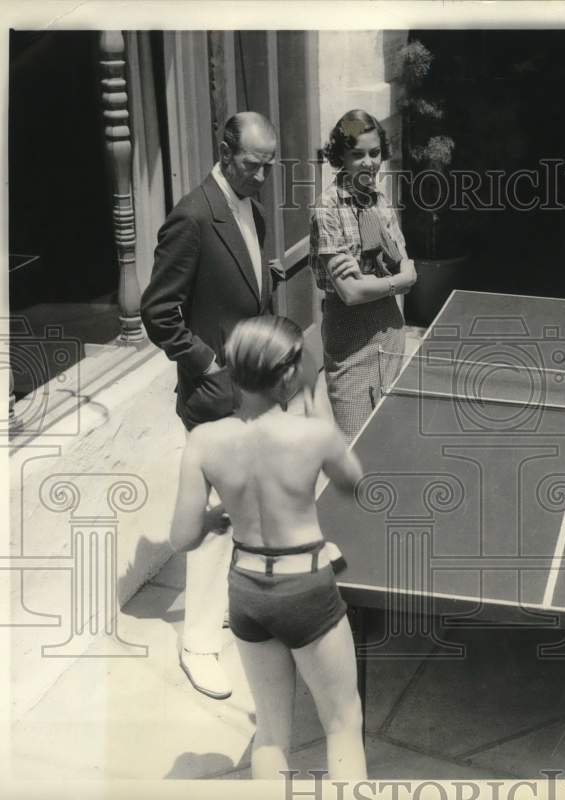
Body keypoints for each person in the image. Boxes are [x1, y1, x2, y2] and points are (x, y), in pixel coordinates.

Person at [169, 316, 366, 779]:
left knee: (272, 735)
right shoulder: (312, 435)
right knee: (343, 723)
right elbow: (353, 481)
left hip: (247, 592)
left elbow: (182, 538)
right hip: (306, 590)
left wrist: (213, 518)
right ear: (288, 373)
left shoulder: (204, 440)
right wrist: (314, 395)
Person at [141, 111, 280, 699]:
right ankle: (197, 644)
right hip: (215, 395)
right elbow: (157, 311)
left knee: (245, 508)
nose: (262, 178)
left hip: (251, 392)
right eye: (253, 165)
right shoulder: (192, 216)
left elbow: (239, 291)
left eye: (269, 166)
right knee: (216, 521)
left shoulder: (251, 208)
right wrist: (207, 362)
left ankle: (226, 610)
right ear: (225, 153)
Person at [309, 108, 418, 441]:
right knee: (355, 444)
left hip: (390, 328)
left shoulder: (380, 200)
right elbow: (351, 294)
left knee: (388, 439)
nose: (369, 163)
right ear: (340, 156)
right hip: (350, 338)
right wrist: (395, 280)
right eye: (358, 154)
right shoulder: (327, 209)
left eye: (375, 153)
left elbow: (407, 269)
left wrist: (368, 278)